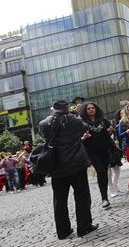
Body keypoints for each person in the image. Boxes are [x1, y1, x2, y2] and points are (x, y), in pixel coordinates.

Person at [39, 100, 97, 239]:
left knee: (59, 200)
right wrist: (75, 114)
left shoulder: (43, 123)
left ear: (53, 109)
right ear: (66, 108)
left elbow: (44, 137)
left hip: (56, 167)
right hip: (76, 164)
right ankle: (84, 227)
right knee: (82, 196)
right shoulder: (74, 120)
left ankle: (63, 231)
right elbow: (86, 127)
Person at [80, 102, 116, 209]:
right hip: (91, 152)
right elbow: (78, 138)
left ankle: (105, 197)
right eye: (88, 108)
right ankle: (104, 198)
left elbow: (108, 135)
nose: (91, 110)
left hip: (104, 151)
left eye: (93, 108)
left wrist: (110, 132)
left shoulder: (103, 121)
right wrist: (84, 137)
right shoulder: (82, 123)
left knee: (104, 173)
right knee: (100, 171)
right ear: (85, 111)